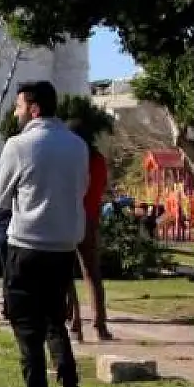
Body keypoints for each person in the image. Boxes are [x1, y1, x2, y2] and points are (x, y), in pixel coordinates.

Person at [0, 81, 90, 387]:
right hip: (63, 247)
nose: (16, 113)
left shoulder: (19, 146)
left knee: (27, 330)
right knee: (55, 323)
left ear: (34, 108)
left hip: (27, 246)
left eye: (19, 106)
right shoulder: (78, 146)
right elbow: (79, 190)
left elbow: (0, 197)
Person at [67, 130, 112, 343]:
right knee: (92, 273)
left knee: (66, 273)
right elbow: (101, 186)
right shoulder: (99, 160)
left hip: (70, 216)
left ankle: (75, 323)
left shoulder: (73, 160)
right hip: (91, 218)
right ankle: (100, 323)